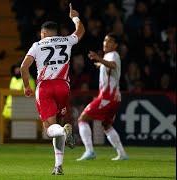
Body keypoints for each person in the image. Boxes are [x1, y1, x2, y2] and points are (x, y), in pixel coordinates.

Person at [20, 4, 85, 175]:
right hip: (63, 86)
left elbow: (23, 67)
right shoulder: (66, 40)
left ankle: (63, 131)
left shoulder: (37, 45)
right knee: (58, 124)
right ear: (55, 32)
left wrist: (27, 86)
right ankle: (58, 166)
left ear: (43, 33)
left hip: (45, 87)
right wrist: (75, 17)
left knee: (49, 128)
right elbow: (80, 32)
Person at [77, 33, 129, 161]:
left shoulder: (113, 55)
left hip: (107, 97)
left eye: (110, 41)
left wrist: (98, 59)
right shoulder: (109, 56)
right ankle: (122, 153)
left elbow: (112, 65)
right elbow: (111, 67)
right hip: (115, 98)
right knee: (107, 126)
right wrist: (100, 64)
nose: (106, 43)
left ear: (115, 45)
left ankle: (90, 151)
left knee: (82, 119)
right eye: (105, 40)